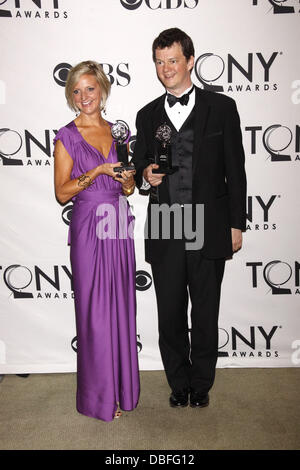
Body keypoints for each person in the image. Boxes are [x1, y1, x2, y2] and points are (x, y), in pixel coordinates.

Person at [132, 28, 246, 408]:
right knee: (170, 314)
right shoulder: (147, 114)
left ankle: (201, 385)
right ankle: (178, 383)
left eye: (173, 60)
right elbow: (139, 166)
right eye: (160, 62)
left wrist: (236, 223)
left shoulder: (222, 108)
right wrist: (145, 175)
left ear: (190, 61)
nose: (166, 69)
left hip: (210, 225)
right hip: (166, 225)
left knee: (206, 309)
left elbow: (236, 169)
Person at [54, 60, 139, 421]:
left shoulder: (119, 133)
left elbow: (130, 186)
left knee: (120, 306)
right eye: (76, 90)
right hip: (89, 224)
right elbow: (62, 193)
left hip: (118, 222)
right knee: (93, 312)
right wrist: (100, 170)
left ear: (102, 90)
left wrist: (126, 183)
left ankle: (121, 391)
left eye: (90, 88)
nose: (83, 96)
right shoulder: (67, 135)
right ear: (70, 97)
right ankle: (99, 399)